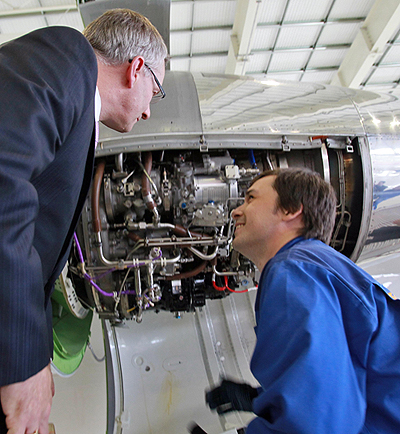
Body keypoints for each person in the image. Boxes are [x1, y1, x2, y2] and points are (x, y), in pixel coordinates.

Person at [0, 8, 168, 434]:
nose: (150, 110)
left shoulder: (80, 111)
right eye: (157, 89)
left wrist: (36, 358)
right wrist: (22, 364)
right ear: (136, 69)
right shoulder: (65, 56)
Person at [204, 168, 400, 433]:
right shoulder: (316, 264)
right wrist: (260, 398)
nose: (236, 211)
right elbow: (346, 378)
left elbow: (319, 420)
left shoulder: (293, 270)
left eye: (251, 199)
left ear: (291, 210)